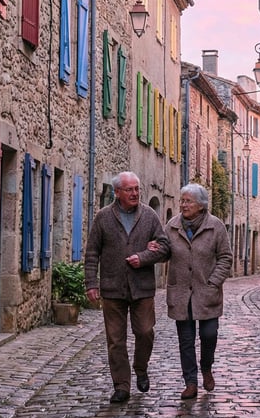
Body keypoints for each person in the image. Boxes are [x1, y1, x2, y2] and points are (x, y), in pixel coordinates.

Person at [84, 171, 169, 403]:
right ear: (117, 192)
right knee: (115, 340)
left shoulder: (150, 216)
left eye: (136, 189)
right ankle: (121, 385)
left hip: (142, 288)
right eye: (129, 189)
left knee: (145, 332)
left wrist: (143, 258)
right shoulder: (103, 217)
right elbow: (92, 252)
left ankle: (140, 368)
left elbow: (164, 248)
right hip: (112, 287)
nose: (134, 193)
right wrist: (91, 283)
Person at [158, 183, 233, 399]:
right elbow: (165, 252)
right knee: (186, 340)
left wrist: (214, 282)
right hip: (181, 293)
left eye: (187, 201)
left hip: (207, 292)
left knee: (209, 335)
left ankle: (206, 367)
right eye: (182, 200)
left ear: (201, 205)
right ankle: (190, 382)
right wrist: (156, 249)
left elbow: (225, 257)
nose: (183, 205)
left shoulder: (215, 226)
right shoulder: (172, 226)